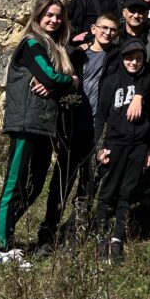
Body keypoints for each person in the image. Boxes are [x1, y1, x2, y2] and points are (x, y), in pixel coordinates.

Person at [0, 0, 79, 266]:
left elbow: (50, 82)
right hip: (25, 123)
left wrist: (55, 85)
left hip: (43, 125)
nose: (54, 20)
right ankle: (2, 245)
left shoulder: (54, 46)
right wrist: (71, 81)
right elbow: (49, 75)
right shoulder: (32, 43)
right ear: (38, 16)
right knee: (15, 182)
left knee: (35, 185)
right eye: (49, 15)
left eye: (59, 16)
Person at [36, 13, 121, 255]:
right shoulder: (76, 55)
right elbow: (58, 77)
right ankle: (47, 235)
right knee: (61, 183)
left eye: (113, 30)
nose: (108, 33)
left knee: (88, 183)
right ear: (93, 28)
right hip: (73, 125)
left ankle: (75, 234)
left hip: (98, 128)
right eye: (104, 28)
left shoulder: (117, 57)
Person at [94, 38, 150, 264]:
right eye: (129, 58)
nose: (134, 62)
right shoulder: (111, 82)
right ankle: (101, 237)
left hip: (138, 145)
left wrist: (149, 148)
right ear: (122, 58)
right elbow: (100, 117)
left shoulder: (147, 82)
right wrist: (100, 147)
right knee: (107, 192)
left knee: (127, 193)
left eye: (139, 59)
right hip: (114, 144)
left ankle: (117, 238)